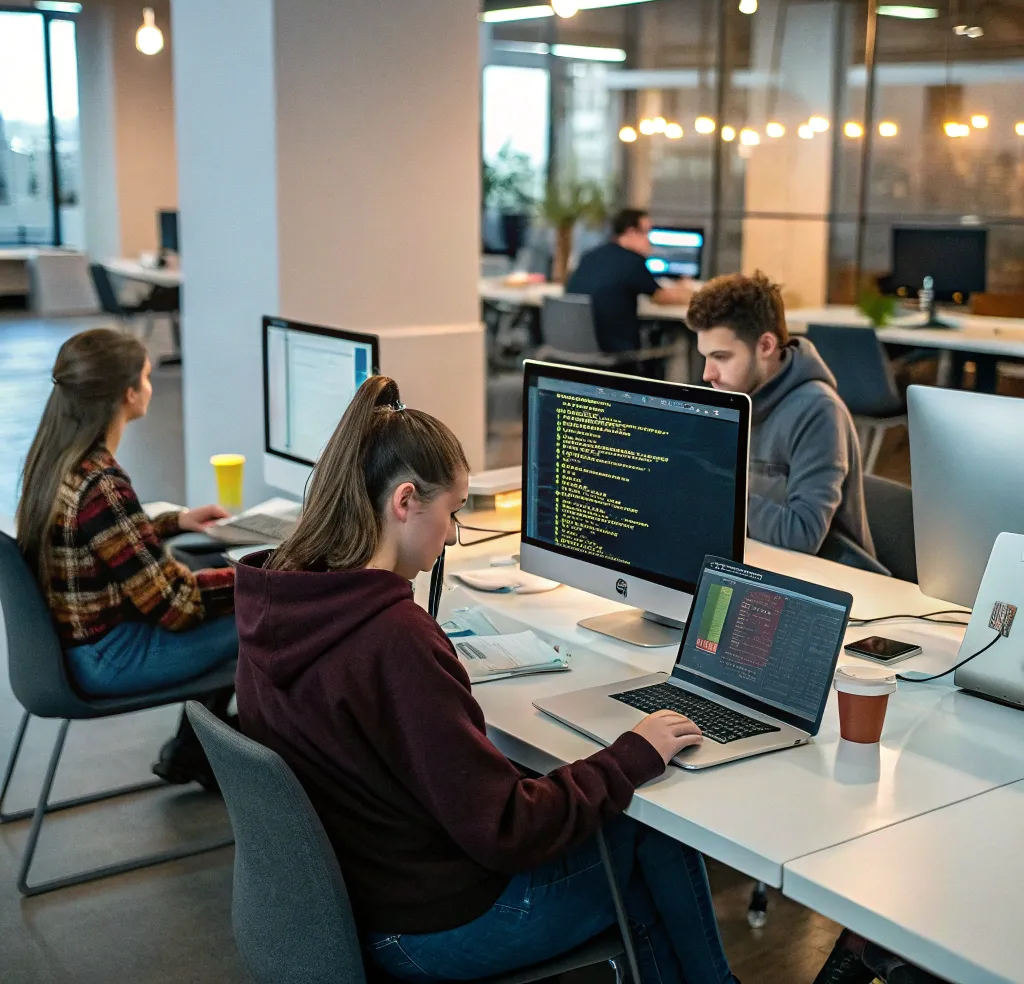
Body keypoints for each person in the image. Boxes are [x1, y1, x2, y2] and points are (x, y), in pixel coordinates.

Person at [234, 375, 737, 984]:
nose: (452, 535)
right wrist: (631, 755)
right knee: (648, 832)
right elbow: (508, 829)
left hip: (356, 899)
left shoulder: (281, 599)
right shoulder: (392, 639)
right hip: (431, 929)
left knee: (605, 816)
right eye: (450, 513)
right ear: (404, 501)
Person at [16, 328, 238, 789]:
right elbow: (175, 607)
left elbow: (93, 539)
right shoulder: (102, 482)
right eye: (148, 377)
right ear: (128, 393)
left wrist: (175, 522)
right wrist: (263, 580)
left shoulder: (57, 460)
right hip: (108, 660)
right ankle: (235, 764)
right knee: (267, 618)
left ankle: (192, 753)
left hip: (72, 649)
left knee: (212, 581)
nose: (151, 387)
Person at [685, 272, 874, 559]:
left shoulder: (818, 411)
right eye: (705, 356)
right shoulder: (733, 395)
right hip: (760, 559)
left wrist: (717, 492)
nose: (707, 374)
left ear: (766, 346)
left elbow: (802, 536)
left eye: (721, 357)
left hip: (828, 581)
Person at [565, 208, 695, 355]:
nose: (650, 241)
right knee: (676, 345)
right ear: (631, 232)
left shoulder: (590, 256)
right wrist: (694, 294)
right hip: (614, 352)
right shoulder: (632, 261)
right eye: (647, 233)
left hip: (573, 350)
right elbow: (662, 297)